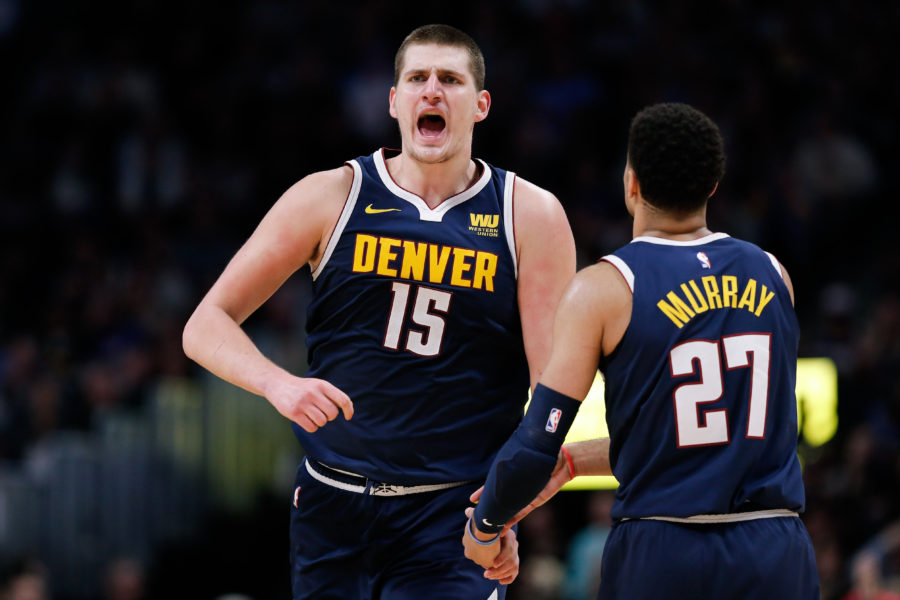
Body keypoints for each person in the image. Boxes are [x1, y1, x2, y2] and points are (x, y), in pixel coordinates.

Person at [182, 24, 576, 600]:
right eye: (417, 79)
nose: (432, 92)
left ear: (481, 104)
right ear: (394, 101)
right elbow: (204, 324)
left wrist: (501, 513)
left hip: (450, 516)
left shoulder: (530, 216)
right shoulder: (330, 195)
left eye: (450, 80)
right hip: (328, 505)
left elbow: (550, 396)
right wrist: (277, 384)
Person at [462, 102, 820, 599]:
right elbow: (705, 439)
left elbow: (533, 444)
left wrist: (484, 527)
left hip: (663, 549)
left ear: (631, 183)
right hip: (775, 548)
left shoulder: (606, 288)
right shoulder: (773, 273)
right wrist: (574, 463)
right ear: (713, 184)